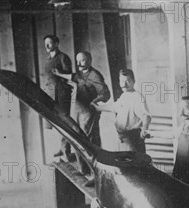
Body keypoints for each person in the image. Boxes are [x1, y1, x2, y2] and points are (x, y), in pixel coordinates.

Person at [53, 51, 110, 185]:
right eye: (77, 60)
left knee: (89, 142)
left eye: (82, 61)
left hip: (88, 114)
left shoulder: (95, 75)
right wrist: (58, 73)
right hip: (77, 111)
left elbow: (105, 93)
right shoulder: (80, 74)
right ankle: (84, 170)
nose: (78, 63)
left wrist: (93, 102)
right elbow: (72, 77)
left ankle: (94, 173)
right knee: (78, 139)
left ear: (89, 60)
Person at [92, 69, 151, 153]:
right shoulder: (124, 96)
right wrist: (98, 108)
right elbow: (114, 107)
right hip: (122, 136)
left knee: (134, 162)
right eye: (122, 81)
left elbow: (146, 116)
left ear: (134, 81)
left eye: (128, 81)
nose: (124, 84)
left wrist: (145, 129)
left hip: (133, 137)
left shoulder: (137, 97)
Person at [42, 35, 73, 159]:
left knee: (64, 121)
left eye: (49, 43)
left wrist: (60, 74)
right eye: (45, 44)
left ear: (56, 43)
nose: (47, 46)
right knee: (54, 122)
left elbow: (70, 74)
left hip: (61, 93)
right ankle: (62, 147)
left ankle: (66, 150)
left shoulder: (63, 57)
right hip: (50, 92)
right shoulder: (48, 60)